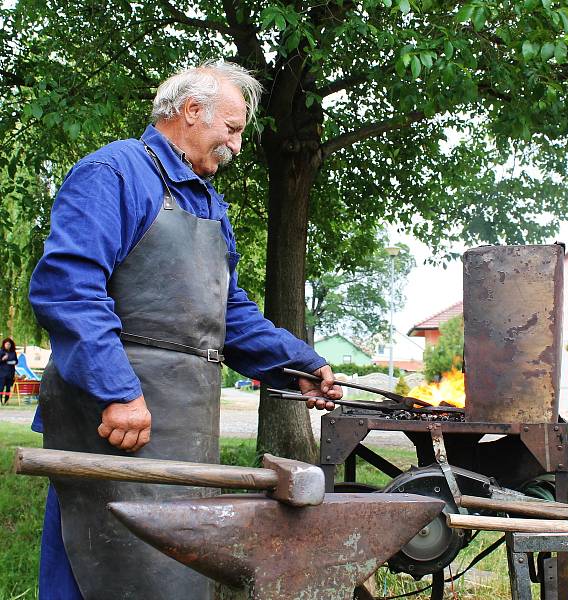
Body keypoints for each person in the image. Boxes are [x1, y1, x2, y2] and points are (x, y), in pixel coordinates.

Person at [28, 60, 342, 600]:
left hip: (187, 426)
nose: (238, 146)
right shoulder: (114, 173)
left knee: (172, 576)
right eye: (234, 128)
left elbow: (228, 313)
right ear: (192, 111)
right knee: (96, 559)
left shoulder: (209, 204)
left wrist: (299, 364)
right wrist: (118, 391)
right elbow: (69, 289)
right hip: (116, 423)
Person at [0, 337, 16, 404]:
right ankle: (1, 401)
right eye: (6, 344)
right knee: (1, 387)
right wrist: (3, 359)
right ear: (4, 344)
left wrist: (14, 362)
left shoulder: (13, 353)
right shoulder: (1, 352)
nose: (8, 346)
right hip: (2, 374)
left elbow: (16, 361)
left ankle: (6, 401)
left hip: (10, 373)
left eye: (9, 344)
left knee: (8, 388)